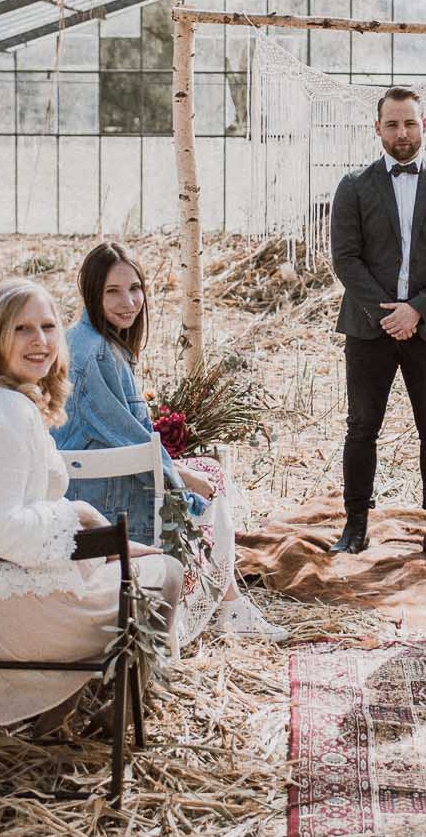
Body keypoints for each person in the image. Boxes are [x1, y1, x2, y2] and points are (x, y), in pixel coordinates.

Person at [0, 278, 183, 728]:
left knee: (140, 562)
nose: (41, 341)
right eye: (21, 329)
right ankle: (119, 715)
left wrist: (100, 543)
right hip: (11, 619)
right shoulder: (1, 413)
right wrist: (81, 517)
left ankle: (65, 712)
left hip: (6, 595)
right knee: (168, 573)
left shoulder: (4, 402)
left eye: (48, 326)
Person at [54, 241, 283, 639]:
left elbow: (124, 433)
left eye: (135, 288)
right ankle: (227, 607)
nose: (129, 302)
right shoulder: (96, 355)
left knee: (205, 472)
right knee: (209, 478)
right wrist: (183, 478)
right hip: (103, 495)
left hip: (92, 480)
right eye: (112, 291)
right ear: (91, 292)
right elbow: (129, 443)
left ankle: (230, 604)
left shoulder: (83, 338)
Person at [329, 86, 426, 561]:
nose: (402, 132)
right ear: (377, 129)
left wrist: (417, 310)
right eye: (392, 124)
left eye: (409, 122)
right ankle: (355, 527)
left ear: (424, 125)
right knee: (361, 428)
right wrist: (387, 313)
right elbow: (346, 259)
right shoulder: (353, 186)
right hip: (369, 327)